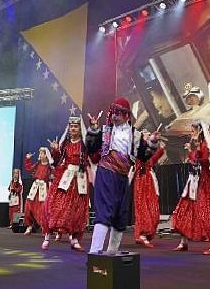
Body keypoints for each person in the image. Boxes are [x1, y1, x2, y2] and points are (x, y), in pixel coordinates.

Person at [86, 97, 150, 254]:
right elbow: (91, 148)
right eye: (113, 113)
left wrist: (152, 142)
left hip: (123, 177)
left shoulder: (135, 134)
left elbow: (144, 155)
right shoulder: (106, 131)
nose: (114, 116)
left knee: (120, 215)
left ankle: (111, 253)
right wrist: (93, 129)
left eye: (119, 113)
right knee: (105, 211)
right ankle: (95, 252)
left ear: (127, 115)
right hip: (106, 173)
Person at [170, 120, 210, 255]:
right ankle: (183, 241)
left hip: (203, 182)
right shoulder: (195, 144)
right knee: (185, 207)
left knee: (205, 210)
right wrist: (191, 150)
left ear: (200, 131)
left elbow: (205, 161)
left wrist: (195, 150)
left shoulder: (204, 145)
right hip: (193, 181)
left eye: (193, 130)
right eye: (191, 130)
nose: (191, 133)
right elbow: (193, 161)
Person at [41, 117, 92, 251]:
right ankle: (47, 236)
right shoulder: (66, 144)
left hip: (79, 179)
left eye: (76, 126)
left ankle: (74, 239)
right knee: (55, 205)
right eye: (71, 126)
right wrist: (55, 150)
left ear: (80, 129)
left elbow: (92, 157)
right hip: (65, 177)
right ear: (68, 129)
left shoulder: (84, 144)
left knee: (77, 210)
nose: (73, 129)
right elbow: (58, 160)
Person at [130, 130, 165, 248]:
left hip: (150, 181)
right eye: (145, 135)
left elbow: (154, 156)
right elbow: (143, 154)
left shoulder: (149, 154)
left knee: (153, 210)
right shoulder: (138, 152)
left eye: (148, 135)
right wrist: (153, 141)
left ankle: (146, 234)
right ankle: (141, 235)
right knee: (142, 208)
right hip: (141, 180)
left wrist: (160, 147)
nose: (147, 136)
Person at [23, 147, 53, 235]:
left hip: (43, 188)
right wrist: (28, 159)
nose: (40, 155)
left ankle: (45, 226)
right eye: (39, 153)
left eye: (41, 153)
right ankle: (29, 226)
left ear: (46, 155)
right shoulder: (37, 164)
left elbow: (54, 174)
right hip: (35, 188)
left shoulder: (49, 166)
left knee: (42, 208)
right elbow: (29, 169)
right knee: (28, 205)